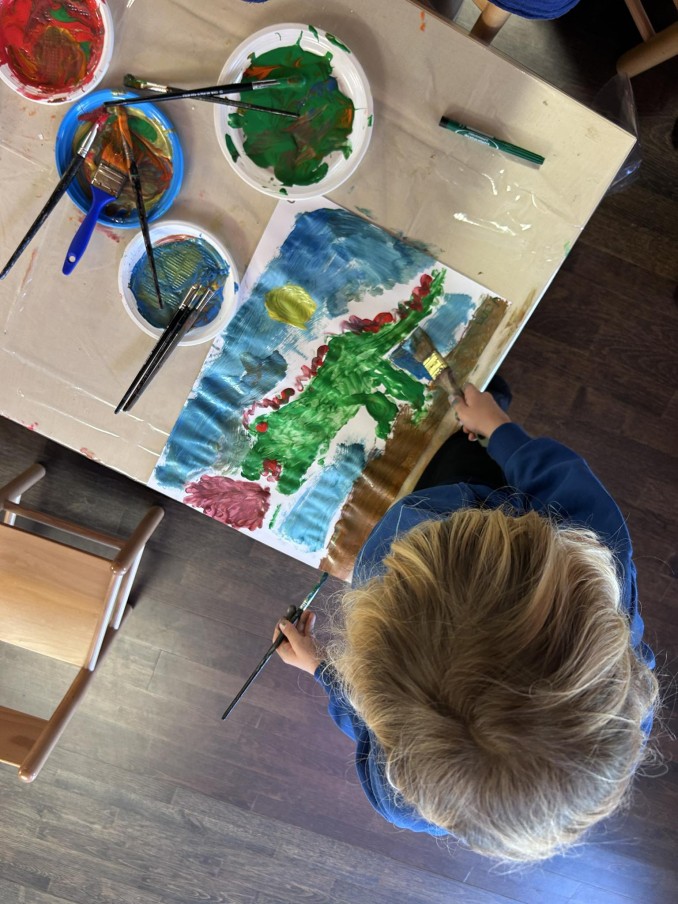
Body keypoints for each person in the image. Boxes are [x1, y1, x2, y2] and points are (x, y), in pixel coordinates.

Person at [273, 381, 658, 862]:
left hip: (419, 513)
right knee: (465, 423)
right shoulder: (598, 574)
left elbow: (370, 720)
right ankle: (486, 399)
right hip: (491, 489)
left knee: (437, 447)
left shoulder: (399, 791)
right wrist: (500, 429)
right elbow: (563, 482)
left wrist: (322, 669)